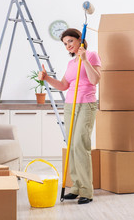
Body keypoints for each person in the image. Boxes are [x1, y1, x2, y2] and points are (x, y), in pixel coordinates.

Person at [38, 28, 101, 204]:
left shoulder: (92, 55)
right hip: (70, 104)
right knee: (72, 146)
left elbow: (95, 80)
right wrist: (46, 78)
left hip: (86, 104)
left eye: (70, 41)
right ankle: (75, 187)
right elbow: (64, 85)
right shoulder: (71, 63)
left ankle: (87, 191)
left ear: (79, 39)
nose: (68, 46)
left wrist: (85, 60)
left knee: (81, 145)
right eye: (65, 44)